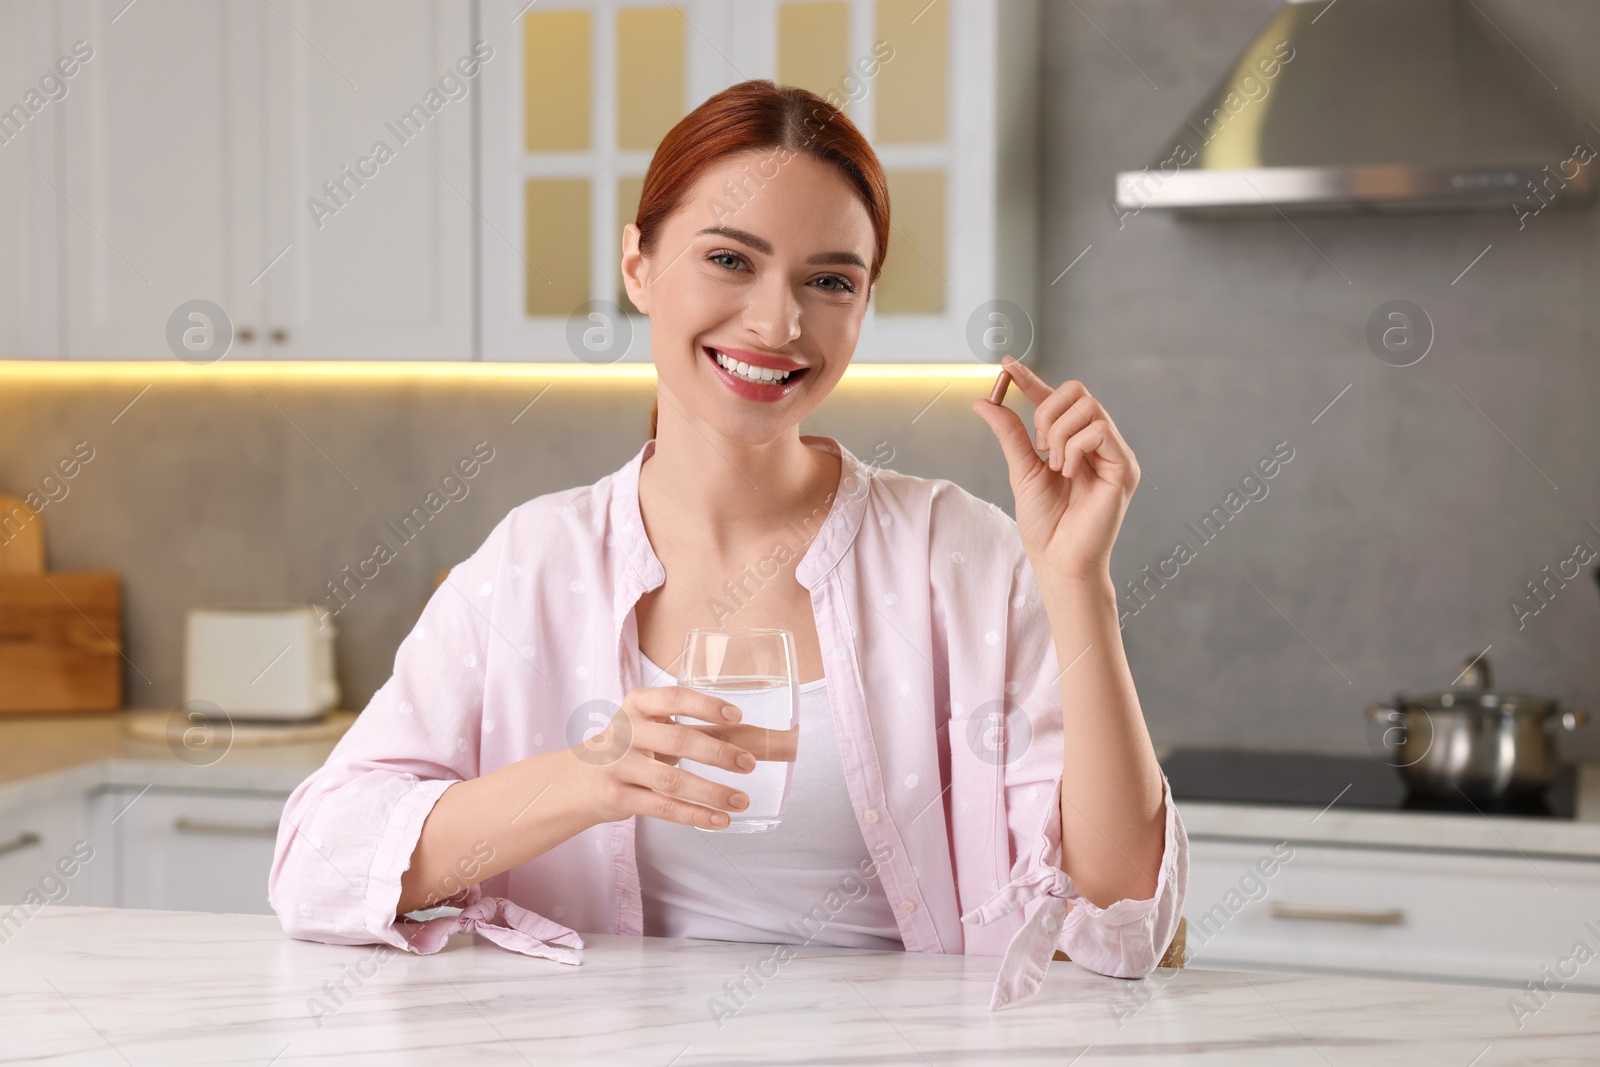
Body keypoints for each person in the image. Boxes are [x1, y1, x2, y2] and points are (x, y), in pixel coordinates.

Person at [269, 79, 1187, 1012]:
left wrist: (1079, 583)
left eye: (829, 280)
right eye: (729, 259)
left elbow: (1119, 927)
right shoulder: (531, 565)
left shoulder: (962, 557)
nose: (777, 323)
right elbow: (318, 865)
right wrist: (587, 776)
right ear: (638, 264)